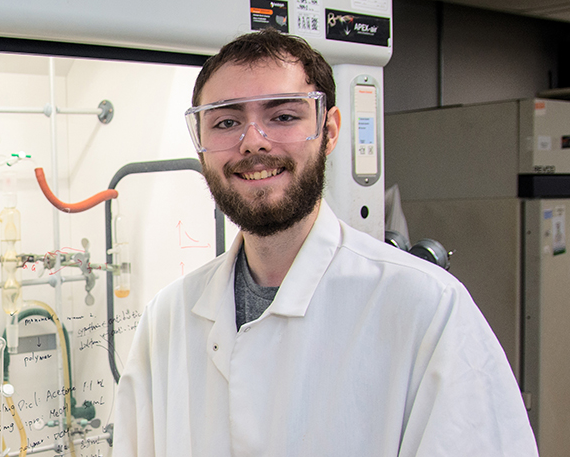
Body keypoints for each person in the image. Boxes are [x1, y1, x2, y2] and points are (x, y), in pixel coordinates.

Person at [112, 28, 538, 456]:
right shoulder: (167, 320)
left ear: (329, 130)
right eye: (227, 122)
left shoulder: (428, 309)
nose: (253, 141)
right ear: (201, 145)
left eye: (283, 116)